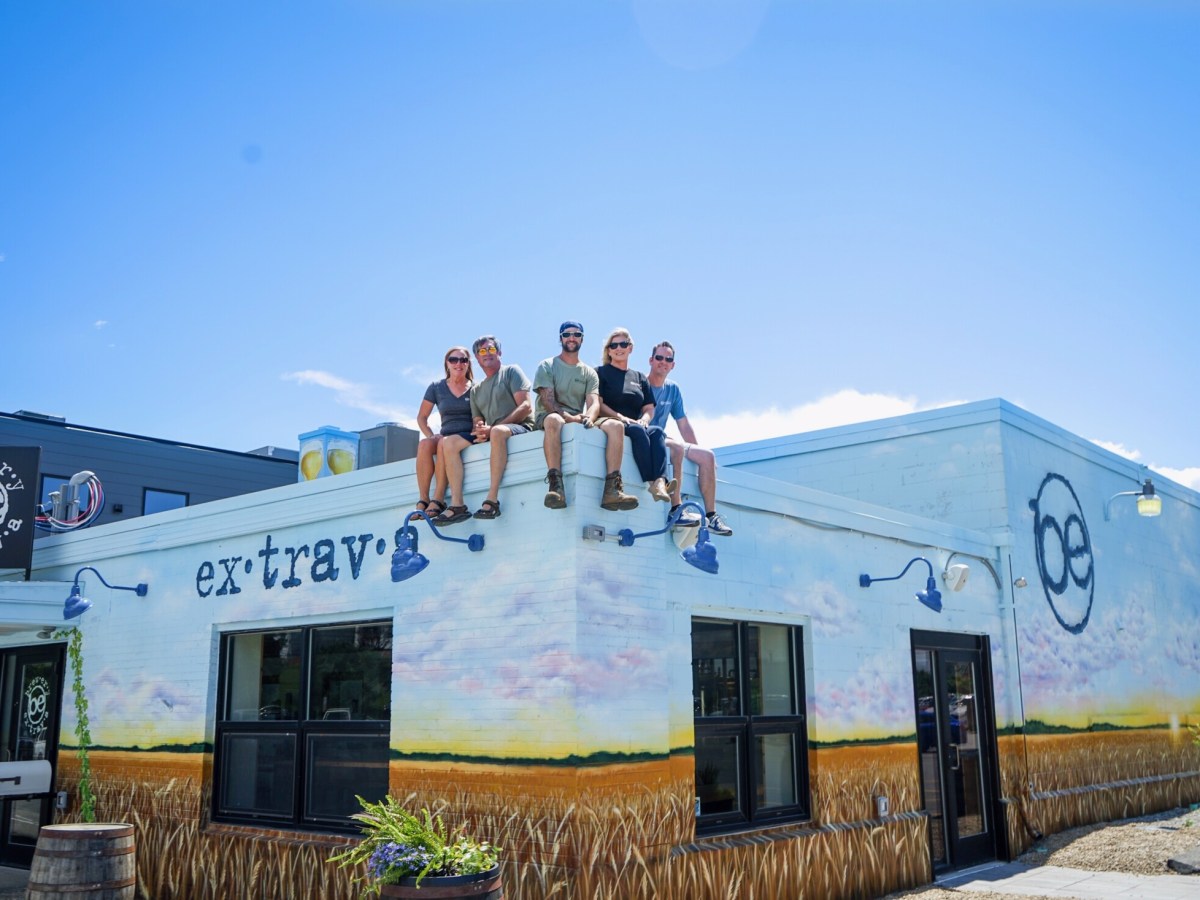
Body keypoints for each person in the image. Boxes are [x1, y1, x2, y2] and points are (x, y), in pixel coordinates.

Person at [534, 321, 637, 511]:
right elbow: (548, 401)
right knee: (554, 419)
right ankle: (556, 487)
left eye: (576, 334)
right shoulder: (547, 365)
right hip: (549, 416)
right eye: (567, 334)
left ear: (582, 339)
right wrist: (571, 418)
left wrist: (589, 417)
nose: (571, 338)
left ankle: (612, 491)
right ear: (560, 339)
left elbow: (594, 403)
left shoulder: (589, 372)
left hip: (577, 417)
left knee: (616, 426)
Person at [435, 334, 534, 523]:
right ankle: (457, 505)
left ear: (499, 352)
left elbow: (526, 407)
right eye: (482, 351)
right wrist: (480, 432)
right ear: (477, 358)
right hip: (495, 433)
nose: (487, 353)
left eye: (491, 349)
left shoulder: (511, 371)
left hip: (521, 427)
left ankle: (492, 500)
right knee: (449, 442)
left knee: (497, 431)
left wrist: (494, 428)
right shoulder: (476, 390)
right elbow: (477, 421)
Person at [646, 341, 733, 536]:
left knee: (708, 456)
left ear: (673, 365)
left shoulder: (673, 389)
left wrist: (697, 451)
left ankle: (711, 516)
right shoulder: (641, 383)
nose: (663, 362)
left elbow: (683, 424)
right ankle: (676, 509)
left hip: (664, 438)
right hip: (648, 438)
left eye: (668, 359)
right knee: (676, 446)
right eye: (659, 357)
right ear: (651, 360)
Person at [596, 327, 673, 504]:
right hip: (611, 421)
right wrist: (620, 417)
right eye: (614, 345)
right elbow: (598, 404)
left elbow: (649, 408)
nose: (619, 348)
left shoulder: (639, 377)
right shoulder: (600, 372)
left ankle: (660, 481)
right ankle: (652, 483)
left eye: (623, 344)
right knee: (638, 432)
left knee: (657, 432)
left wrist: (645, 419)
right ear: (609, 350)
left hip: (635, 423)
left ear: (630, 348)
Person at [414, 346, 474, 519]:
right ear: (447, 363)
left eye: (463, 360)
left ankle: (438, 499)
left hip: (465, 436)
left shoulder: (476, 388)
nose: (458, 364)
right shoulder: (436, 387)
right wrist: (430, 435)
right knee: (425, 444)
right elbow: (422, 417)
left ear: (468, 364)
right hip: (445, 434)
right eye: (453, 360)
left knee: (443, 442)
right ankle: (423, 499)